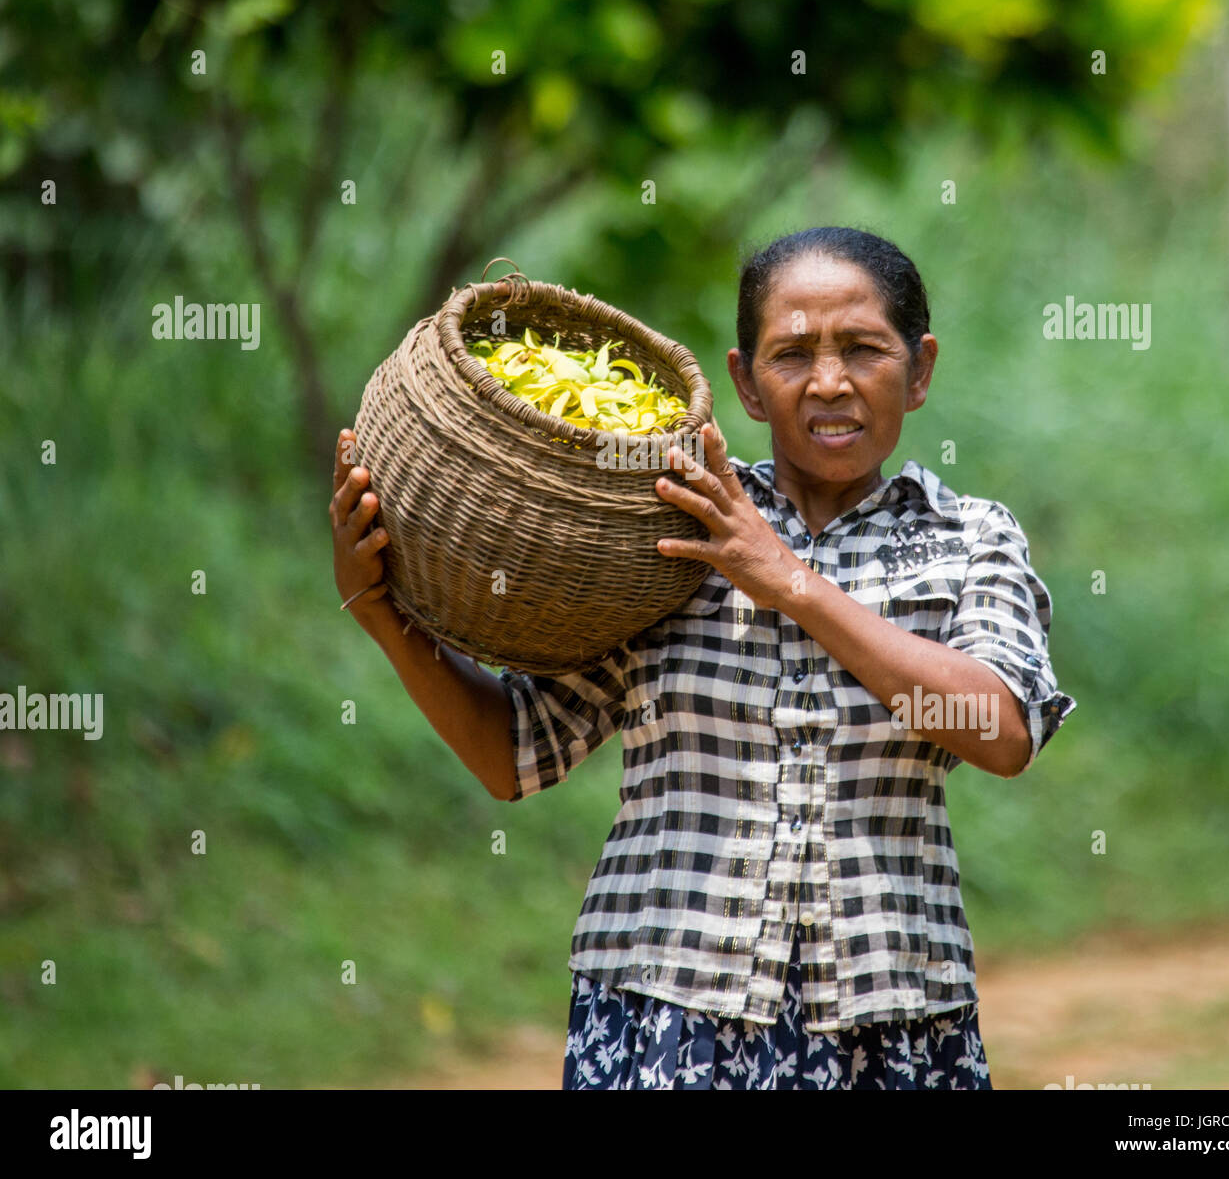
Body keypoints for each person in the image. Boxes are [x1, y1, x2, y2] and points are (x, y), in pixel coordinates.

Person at [330, 225, 1076, 1090]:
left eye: (864, 349)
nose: (829, 382)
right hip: (661, 1020)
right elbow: (515, 753)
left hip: (894, 1023)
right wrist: (379, 609)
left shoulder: (968, 539)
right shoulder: (667, 529)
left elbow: (1001, 730)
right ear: (745, 386)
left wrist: (788, 581)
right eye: (791, 354)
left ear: (919, 369)